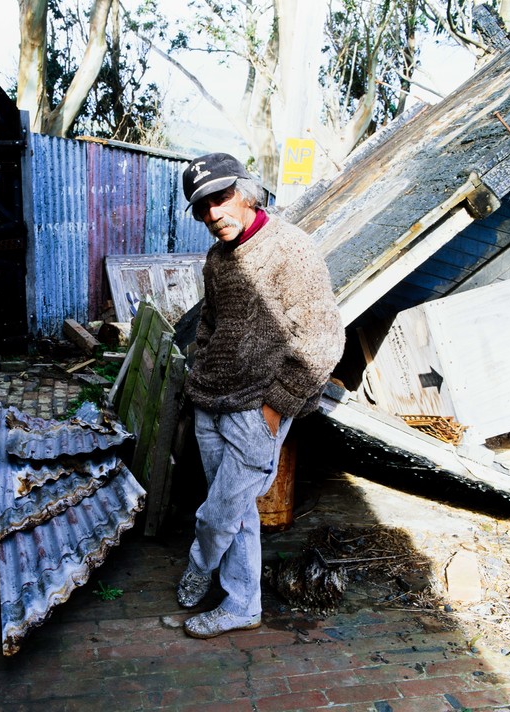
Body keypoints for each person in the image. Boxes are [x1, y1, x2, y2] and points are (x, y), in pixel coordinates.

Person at [176, 152, 344, 639]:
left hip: (257, 409)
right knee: (234, 511)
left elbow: (323, 338)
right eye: (202, 206)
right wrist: (199, 372)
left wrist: (276, 407)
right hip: (211, 400)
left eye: (221, 198)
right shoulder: (217, 259)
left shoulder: (291, 250)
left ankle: (200, 563)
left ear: (246, 192)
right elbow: (211, 323)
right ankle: (241, 604)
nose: (213, 214)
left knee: (221, 510)